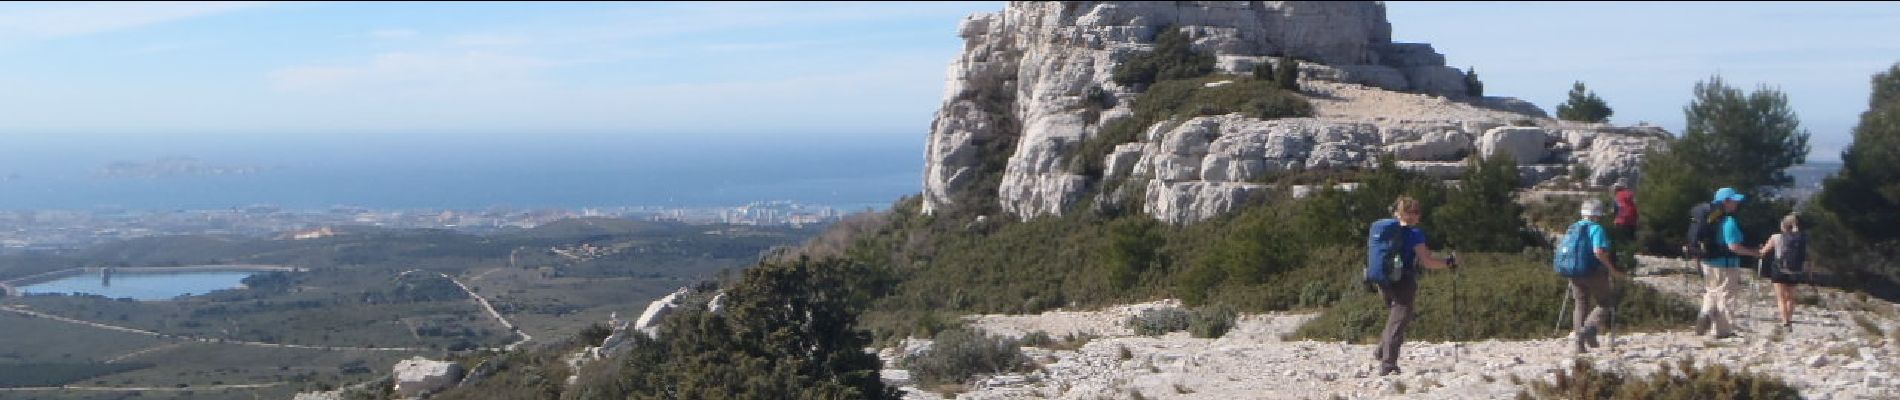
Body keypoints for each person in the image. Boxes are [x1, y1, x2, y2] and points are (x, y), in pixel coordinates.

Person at [1370, 196, 1456, 376]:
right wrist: (1448, 263)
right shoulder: (1414, 234)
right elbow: (1428, 262)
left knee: (1395, 318)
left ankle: (1381, 351)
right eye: (1417, 212)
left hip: (1382, 279)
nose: (1419, 216)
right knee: (1399, 319)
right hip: (1403, 280)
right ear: (1412, 214)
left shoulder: (1387, 229)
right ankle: (1388, 364)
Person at [1695, 187, 1762, 339]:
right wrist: (1754, 253)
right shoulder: (1729, 221)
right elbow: (1734, 247)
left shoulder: (1711, 218)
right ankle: (1721, 331)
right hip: (1726, 264)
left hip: (1708, 262)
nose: (1737, 203)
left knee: (1712, 292)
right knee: (1726, 296)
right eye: (1734, 200)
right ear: (1726, 202)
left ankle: (1704, 313)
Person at [1566, 200, 1626, 354]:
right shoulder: (1597, 229)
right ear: (1598, 215)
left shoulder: (1572, 227)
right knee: (1606, 302)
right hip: (1594, 272)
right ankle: (1589, 329)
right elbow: (1598, 251)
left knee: (1580, 304)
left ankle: (1579, 344)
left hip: (1574, 271)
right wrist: (1611, 268)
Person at [1757, 214, 1807, 332]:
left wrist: (1759, 250)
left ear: (1783, 225)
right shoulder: (1801, 238)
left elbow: (1763, 252)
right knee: (1790, 297)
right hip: (1795, 270)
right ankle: (1789, 321)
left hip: (1778, 269)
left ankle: (1784, 322)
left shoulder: (1775, 237)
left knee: (1781, 298)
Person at [1611, 178, 1639, 266]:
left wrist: (1614, 219)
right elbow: (1636, 205)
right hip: (1632, 221)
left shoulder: (1617, 196)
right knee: (1630, 240)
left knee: (1619, 241)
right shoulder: (1631, 194)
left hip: (1621, 221)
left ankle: (1618, 262)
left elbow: (1615, 209)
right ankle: (1630, 259)